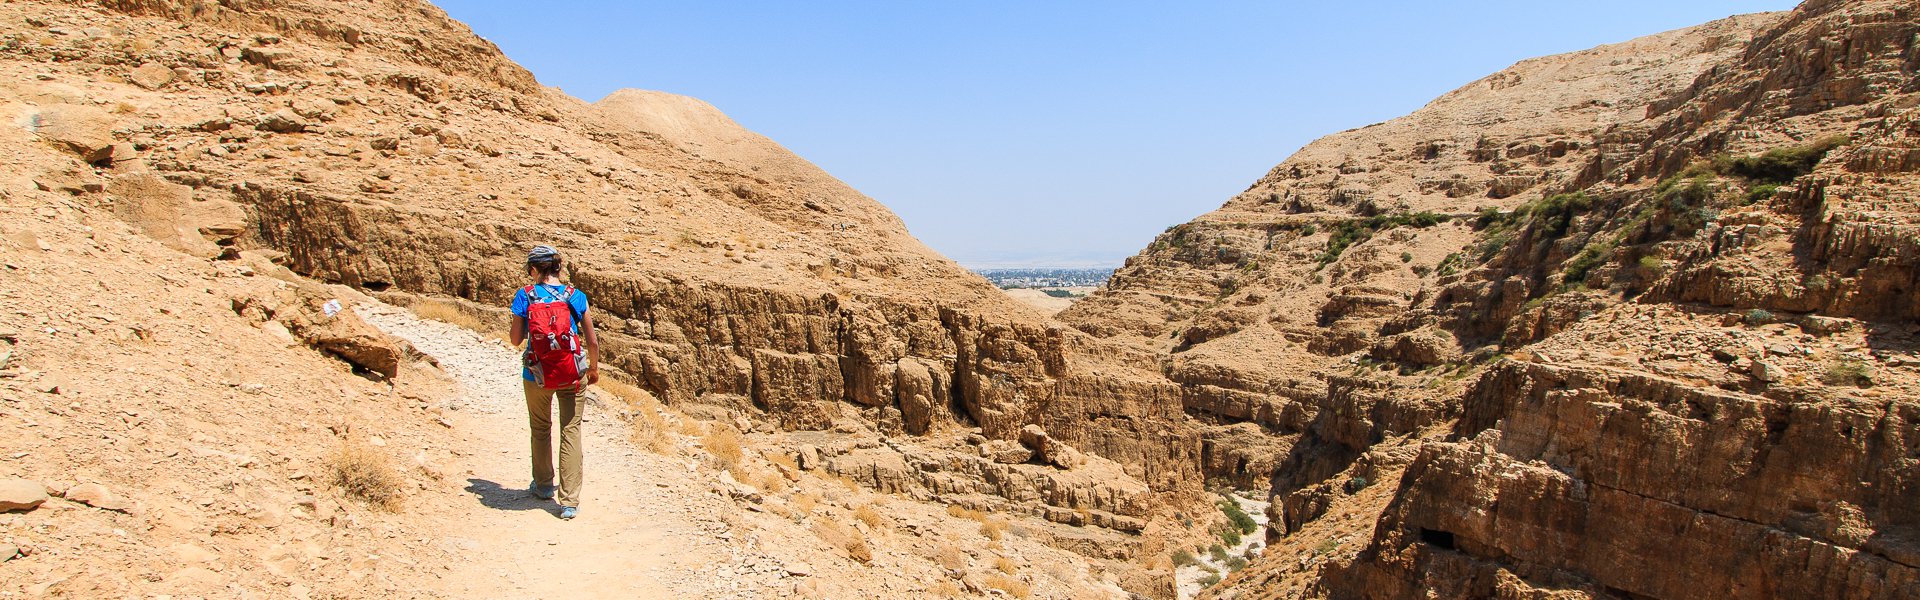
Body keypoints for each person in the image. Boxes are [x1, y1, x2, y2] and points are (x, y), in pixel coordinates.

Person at [508, 245, 600, 520]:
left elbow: (515, 340)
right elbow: (592, 341)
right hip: (571, 373)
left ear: (534, 270)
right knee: (570, 430)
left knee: (540, 427)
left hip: (535, 374)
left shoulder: (525, 296)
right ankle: (569, 501)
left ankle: (544, 485)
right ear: (559, 268)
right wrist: (593, 369)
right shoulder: (576, 296)